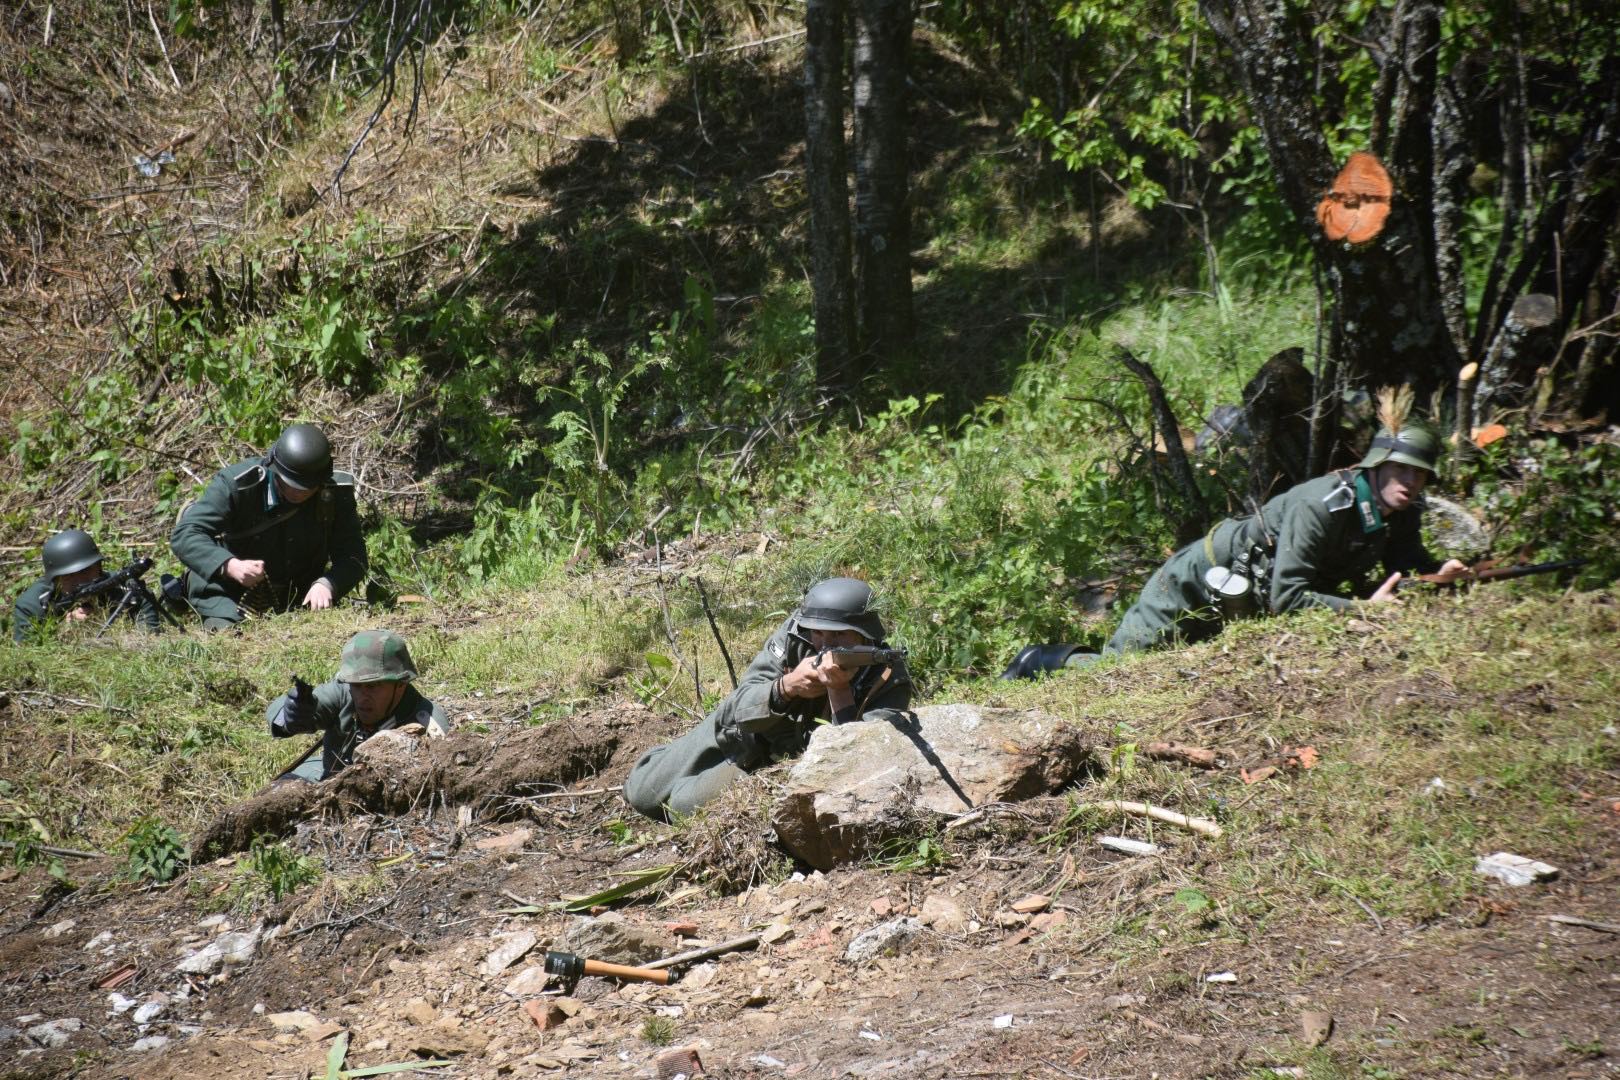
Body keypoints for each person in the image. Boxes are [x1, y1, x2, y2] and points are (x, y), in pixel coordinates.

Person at [1003, 400, 1468, 675]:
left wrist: (1436, 574)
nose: (1409, 482)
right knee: (1117, 671)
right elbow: (1289, 597)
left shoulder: (1400, 506)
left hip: (1239, 602)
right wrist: (1363, 611)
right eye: (1401, 469)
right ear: (1377, 463)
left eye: (1420, 474)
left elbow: (1406, 559)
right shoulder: (1322, 505)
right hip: (1194, 582)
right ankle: (1040, 661)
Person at [624, 577, 912, 820]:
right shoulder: (796, 637)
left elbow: (856, 765)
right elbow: (740, 706)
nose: (823, 644)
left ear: (863, 636)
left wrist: (838, 691)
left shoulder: (887, 680)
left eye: (837, 637)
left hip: (779, 767)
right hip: (738, 734)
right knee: (641, 791)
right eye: (818, 633)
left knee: (682, 806)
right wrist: (787, 687)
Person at [170, 423, 367, 629]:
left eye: (306, 488)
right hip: (230, 593)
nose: (297, 493)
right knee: (234, 638)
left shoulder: (334, 495)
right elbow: (185, 534)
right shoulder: (237, 485)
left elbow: (353, 556)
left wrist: (327, 585)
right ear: (275, 467)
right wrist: (230, 565)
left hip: (297, 599)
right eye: (290, 484)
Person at [264, 630, 450, 782]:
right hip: (326, 779)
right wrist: (291, 714)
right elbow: (279, 709)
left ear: (401, 683)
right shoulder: (343, 693)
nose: (362, 696)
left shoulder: (428, 724)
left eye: (372, 686)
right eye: (357, 686)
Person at [11, 529, 159, 642]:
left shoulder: (125, 589)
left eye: (85, 571)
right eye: (68, 576)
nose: (80, 580)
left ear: (99, 567)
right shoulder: (32, 606)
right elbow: (28, 657)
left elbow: (147, 639)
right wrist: (62, 633)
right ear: (55, 579)